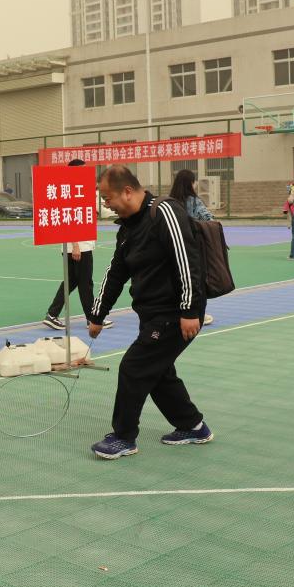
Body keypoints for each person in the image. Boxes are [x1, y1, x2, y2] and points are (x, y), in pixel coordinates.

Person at [87, 165, 212, 460]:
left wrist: (189, 310)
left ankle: (123, 437)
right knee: (158, 372)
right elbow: (116, 272)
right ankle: (192, 426)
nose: (105, 204)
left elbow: (188, 262)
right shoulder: (129, 227)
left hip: (174, 313)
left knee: (135, 367)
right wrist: (97, 314)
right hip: (152, 314)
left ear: (127, 191)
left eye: (107, 198)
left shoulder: (165, 212)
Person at [42, 159, 114, 332]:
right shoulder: (70, 192)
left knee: (71, 282)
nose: (87, 173)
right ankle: (92, 319)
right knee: (85, 283)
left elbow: (103, 211)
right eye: (82, 170)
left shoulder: (85, 190)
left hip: (78, 246)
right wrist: (75, 245)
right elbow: (68, 220)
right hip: (79, 247)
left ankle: (52, 314)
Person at [168, 169, 215, 326]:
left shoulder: (169, 202)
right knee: (194, 280)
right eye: (194, 181)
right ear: (191, 183)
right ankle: (196, 312)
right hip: (191, 248)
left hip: (172, 247)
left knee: (175, 279)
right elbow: (209, 219)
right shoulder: (194, 201)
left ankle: (175, 311)